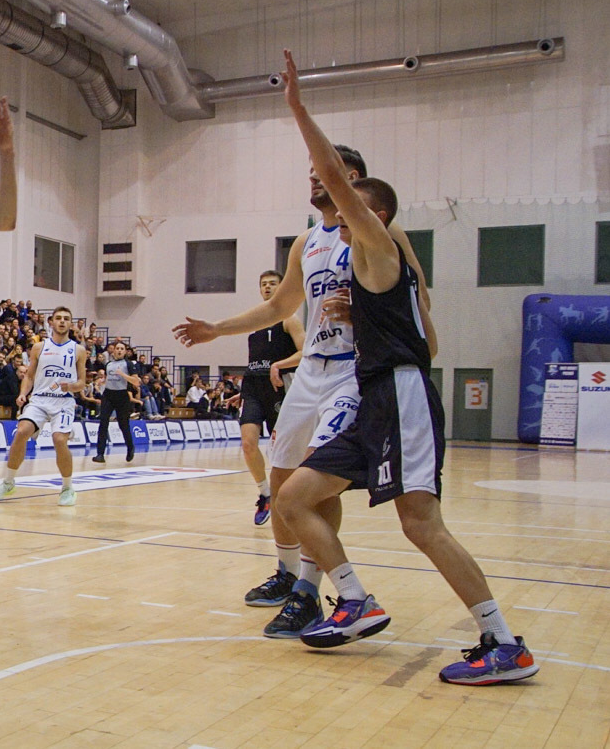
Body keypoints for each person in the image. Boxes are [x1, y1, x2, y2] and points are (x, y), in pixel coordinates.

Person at [270, 49, 537, 683]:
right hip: (374, 395)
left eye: (348, 202)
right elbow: (427, 337)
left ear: (374, 214)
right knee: (294, 497)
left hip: (401, 395)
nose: (336, 210)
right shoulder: (381, 271)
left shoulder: (379, 243)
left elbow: (334, 177)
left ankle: (504, 643)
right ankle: (354, 599)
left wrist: (299, 109)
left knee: (420, 523)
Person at [173, 122, 430, 642]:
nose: (313, 178)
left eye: (323, 171)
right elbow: (279, 306)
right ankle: (289, 574)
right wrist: (217, 329)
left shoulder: (382, 231)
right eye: (310, 172)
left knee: (314, 476)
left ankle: (311, 591)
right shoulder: (306, 242)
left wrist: (369, 313)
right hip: (311, 369)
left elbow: (416, 299)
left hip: (354, 370)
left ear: (350, 178)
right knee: (281, 480)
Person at [0, 306, 86, 506]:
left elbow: (82, 383)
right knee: (21, 432)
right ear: (51, 322)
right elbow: (29, 376)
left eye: (66, 318)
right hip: (40, 399)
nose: (62, 321)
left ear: (71, 324)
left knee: (59, 440)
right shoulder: (39, 347)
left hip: (63, 401)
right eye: (58, 318)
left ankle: (67, 488)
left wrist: (71, 386)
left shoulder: (78, 350)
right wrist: (23, 394)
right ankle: (8, 482)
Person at [239, 270, 304, 527]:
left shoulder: (289, 319)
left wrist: (279, 365)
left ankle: (290, 497)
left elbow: (305, 352)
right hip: (253, 388)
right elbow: (256, 362)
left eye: (272, 284)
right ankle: (265, 493)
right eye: (263, 284)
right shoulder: (254, 325)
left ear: (281, 287)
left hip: (280, 388)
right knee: (248, 443)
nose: (267, 287)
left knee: (283, 452)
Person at [92, 340, 139, 463]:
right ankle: (100, 454)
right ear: (113, 351)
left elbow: (136, 381)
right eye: (117, 348)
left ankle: (130, 447)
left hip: (122, 395)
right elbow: (108, 378)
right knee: (103, 423)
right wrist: (101, 382)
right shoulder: (108, 364)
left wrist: (123, 375)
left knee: (123, 424)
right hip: (108, 395)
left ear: (125, 351)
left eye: (122, 349)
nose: (119, 350)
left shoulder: (128, 364)